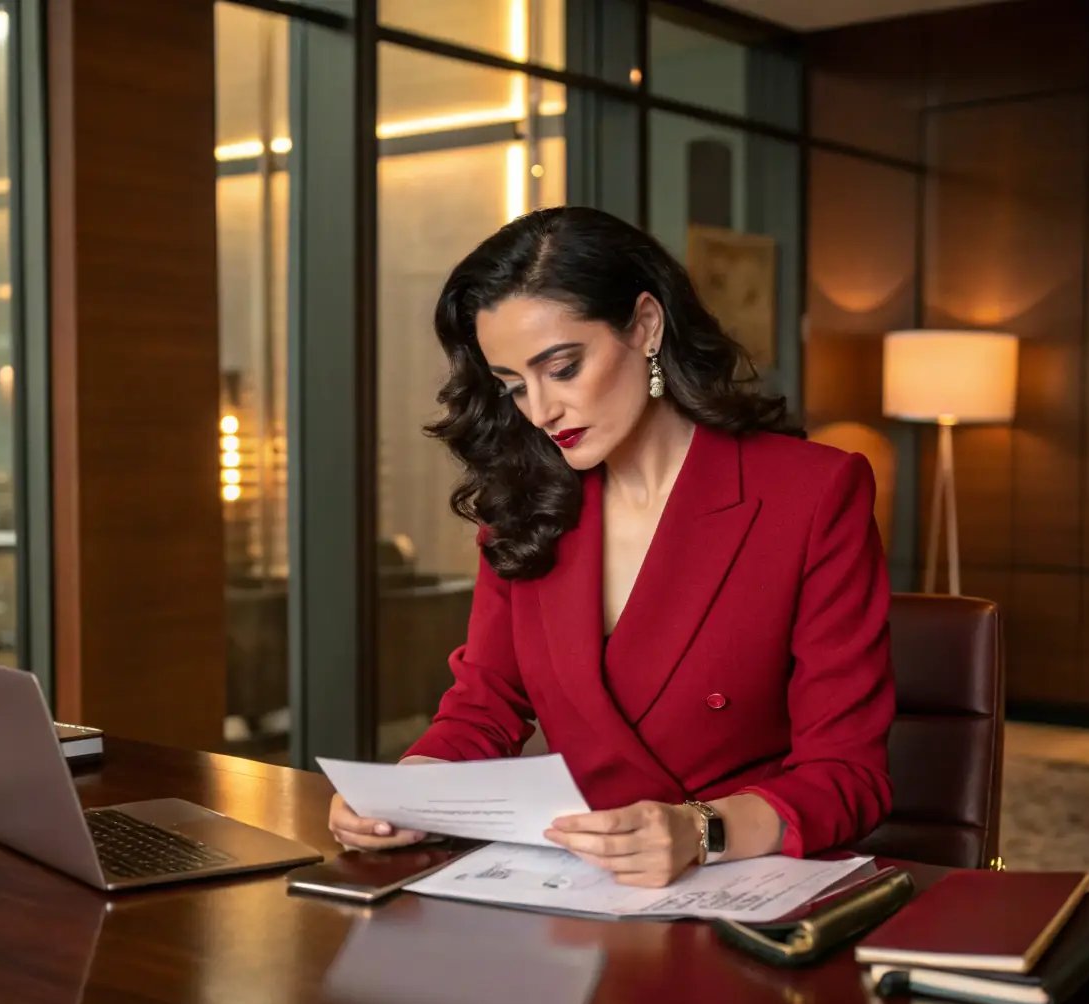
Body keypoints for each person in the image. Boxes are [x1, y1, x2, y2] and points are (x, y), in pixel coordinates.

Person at [329, 206, 895, 887]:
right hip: (578, 882)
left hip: (746, 880)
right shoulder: (524, 503)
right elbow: (485, 704)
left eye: (561, 368)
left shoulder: (811, 492)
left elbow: (848, 774)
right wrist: (402, 796)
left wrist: (699, 830)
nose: (539, 411)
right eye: (512, 386)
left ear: (645, 327)